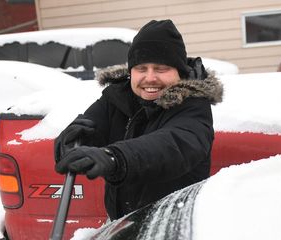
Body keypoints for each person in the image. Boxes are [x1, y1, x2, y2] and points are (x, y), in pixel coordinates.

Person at [54, 19, 223, 220]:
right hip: (121, 225)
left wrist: (115, 157)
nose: (150, 78)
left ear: (180, 72)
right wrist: (68, 144)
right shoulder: (116, 99)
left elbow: (175, 144)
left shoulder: (193, 106)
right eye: (141, 68)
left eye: (161, 69)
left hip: (170, 230)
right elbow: (89, 128)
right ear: (131, 71)